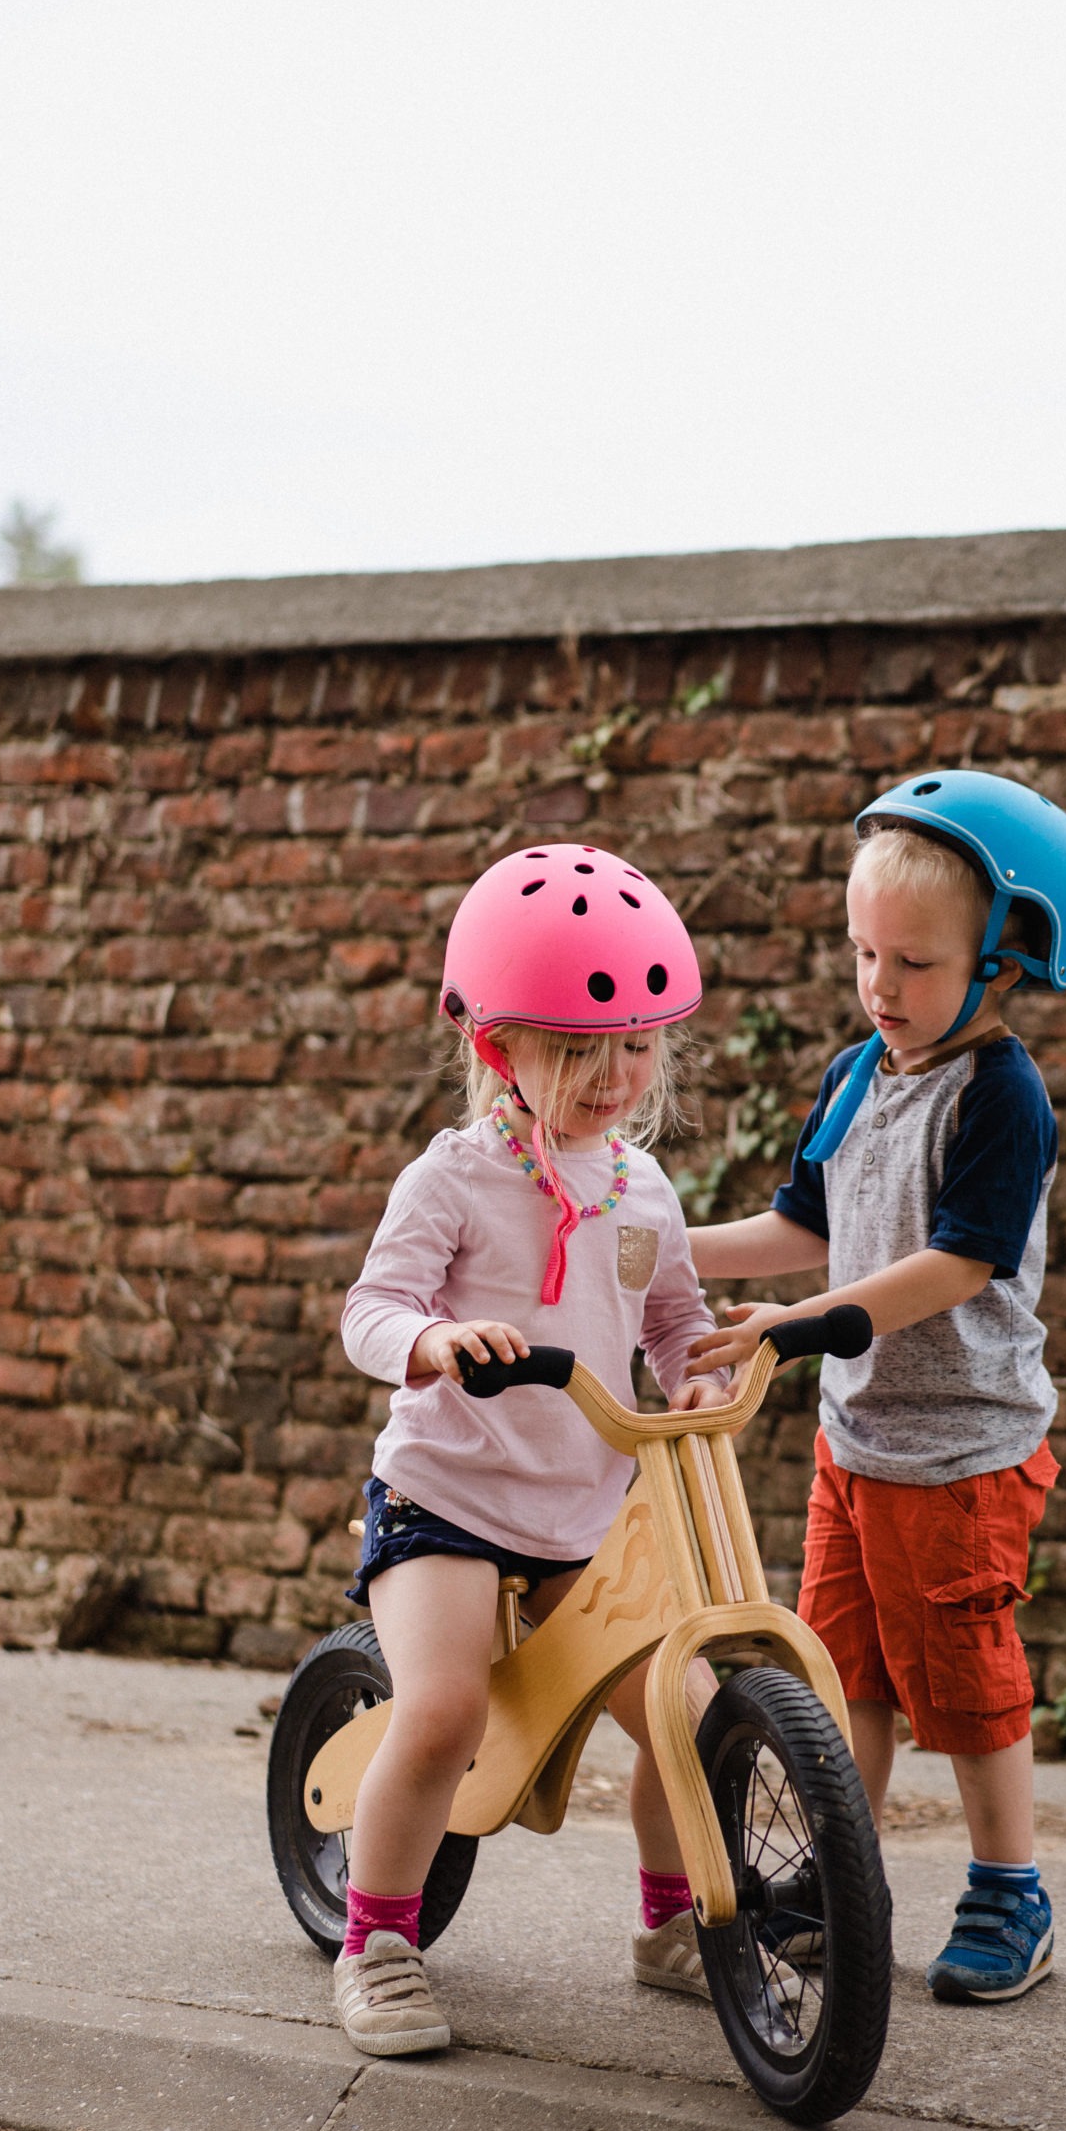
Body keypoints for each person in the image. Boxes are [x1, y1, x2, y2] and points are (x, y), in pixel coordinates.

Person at [684, 771, 1066, 2002]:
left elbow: (956, 1264)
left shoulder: (999, 1096)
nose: (881, 986)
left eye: (914, 964)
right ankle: (842, 1881)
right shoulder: (856, 1071)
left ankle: (1008, 1890)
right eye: (864, 953)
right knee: (844, 1675)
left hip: (960, 1455)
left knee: (965, 1685)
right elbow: (800, 1223)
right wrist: (660, 1241)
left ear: (1003, 962)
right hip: (855, 1442)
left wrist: (804, 1325)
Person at [333, 843, 730, 2057]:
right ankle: (378, 1943)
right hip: (447, 1498)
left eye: (635, 1046)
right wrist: (439, 1342)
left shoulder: (643, 1191)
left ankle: (672, 1921)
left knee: (685, 1708)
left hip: (583, 1510)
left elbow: (672, 1327)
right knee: (446, 1706)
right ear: (499, 1045)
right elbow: (371, 1311)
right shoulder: (452, 1178)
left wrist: (713, 1362)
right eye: (577, 1049)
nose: (614, 1076)